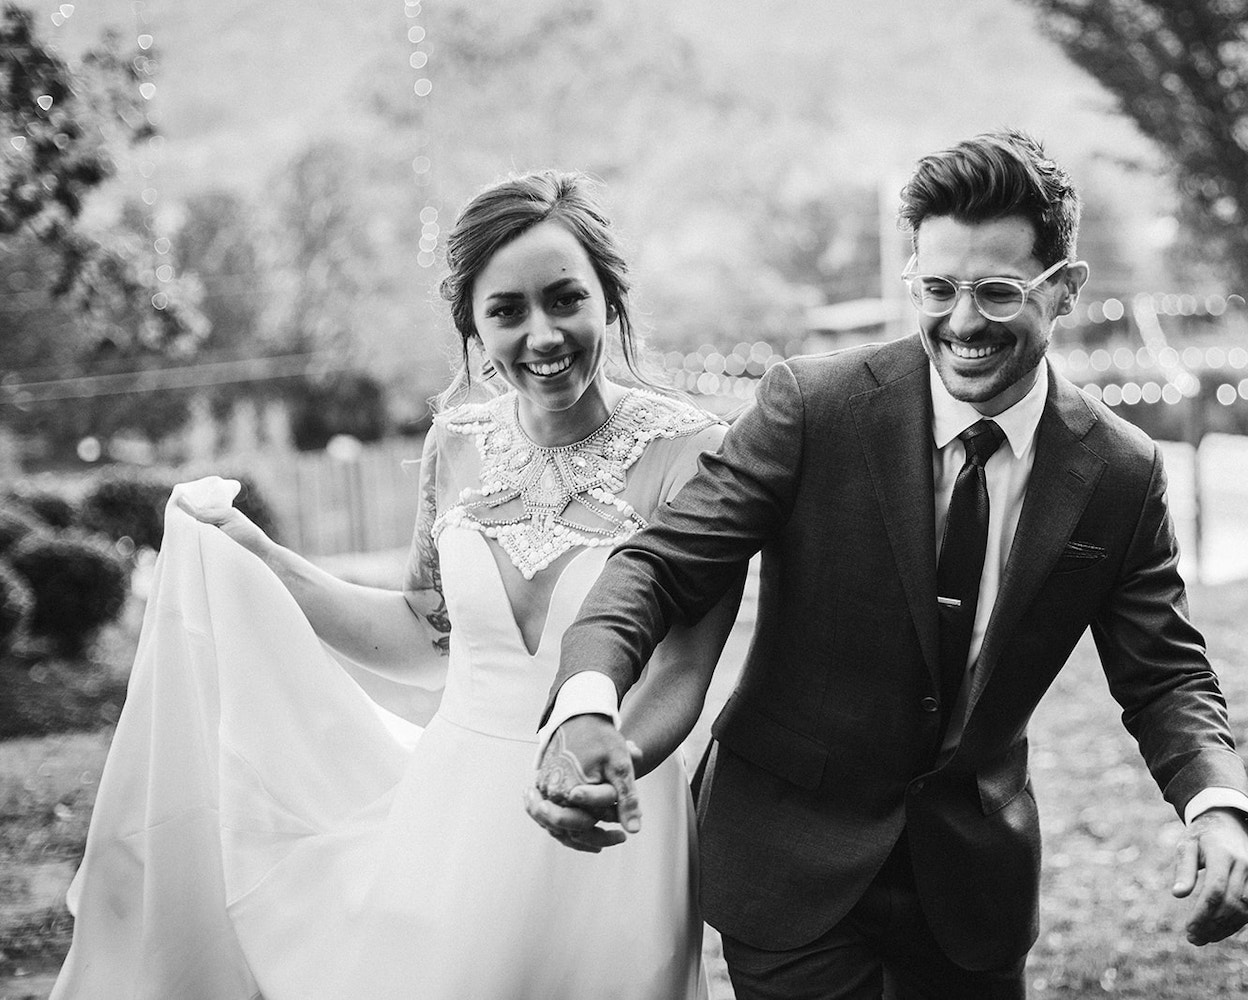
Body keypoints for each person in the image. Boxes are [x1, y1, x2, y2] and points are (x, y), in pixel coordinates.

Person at [528, 129, 1248, 999]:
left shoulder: (1121, 472)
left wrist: (1217, 806)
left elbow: (1165, 674)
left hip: (972, 890)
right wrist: (586, 700)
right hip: (788, 865)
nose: (961, 322)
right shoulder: (812, 406)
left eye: (996, 292)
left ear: (1063, 291)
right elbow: (659, 567)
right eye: (938, 288)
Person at [52, 170, 741, 1000]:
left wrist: (604, 768)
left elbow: (681, 673)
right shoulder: (456, 444)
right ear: (473, 327)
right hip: (451, 817)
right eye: (507, 310)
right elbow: (425, 633)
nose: (544, 333)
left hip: (613, 811)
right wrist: (261, 558)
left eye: (566, 299)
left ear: (610, 299)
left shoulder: (695, 453)